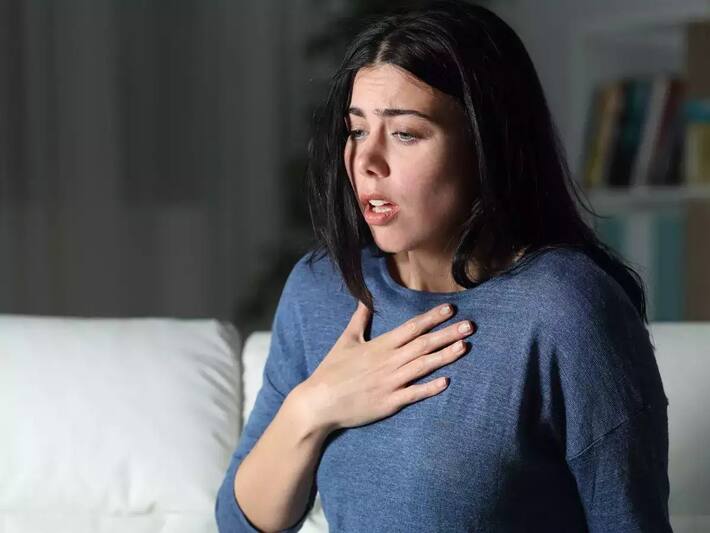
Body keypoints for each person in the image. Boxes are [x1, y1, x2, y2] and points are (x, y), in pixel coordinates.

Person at [215, 1, 672, 531]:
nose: (367, 161)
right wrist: (315, 406)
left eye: (405, 134)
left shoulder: (568, 311)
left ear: (486, 143)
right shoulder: (322, 289)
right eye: (357, 131)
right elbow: (239, 522)